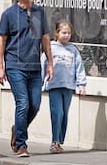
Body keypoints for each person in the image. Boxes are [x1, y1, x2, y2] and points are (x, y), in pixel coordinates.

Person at [0, 0, 54, 158]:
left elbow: (45, 39)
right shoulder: (8, 15)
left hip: (35, 67)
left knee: (34, 106)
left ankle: (17, 129)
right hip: (15, 66)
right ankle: (21, 144)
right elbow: (1, 42)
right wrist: (0, 67)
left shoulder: (39, 13)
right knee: (23, 104)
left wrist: (50, 64)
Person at [41, 19, 87, 154]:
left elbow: (79, 67)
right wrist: (39, 83)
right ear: (56, 33)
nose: (66, 35)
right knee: (57, 113)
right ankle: (54, 141)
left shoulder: (73, 49)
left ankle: (59, 141)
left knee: (64, 114)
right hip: (54, 85)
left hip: (68, 86)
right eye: (63, 33)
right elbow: (43, 64)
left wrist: (81, 84)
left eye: (69, 33)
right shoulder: (50, 47)